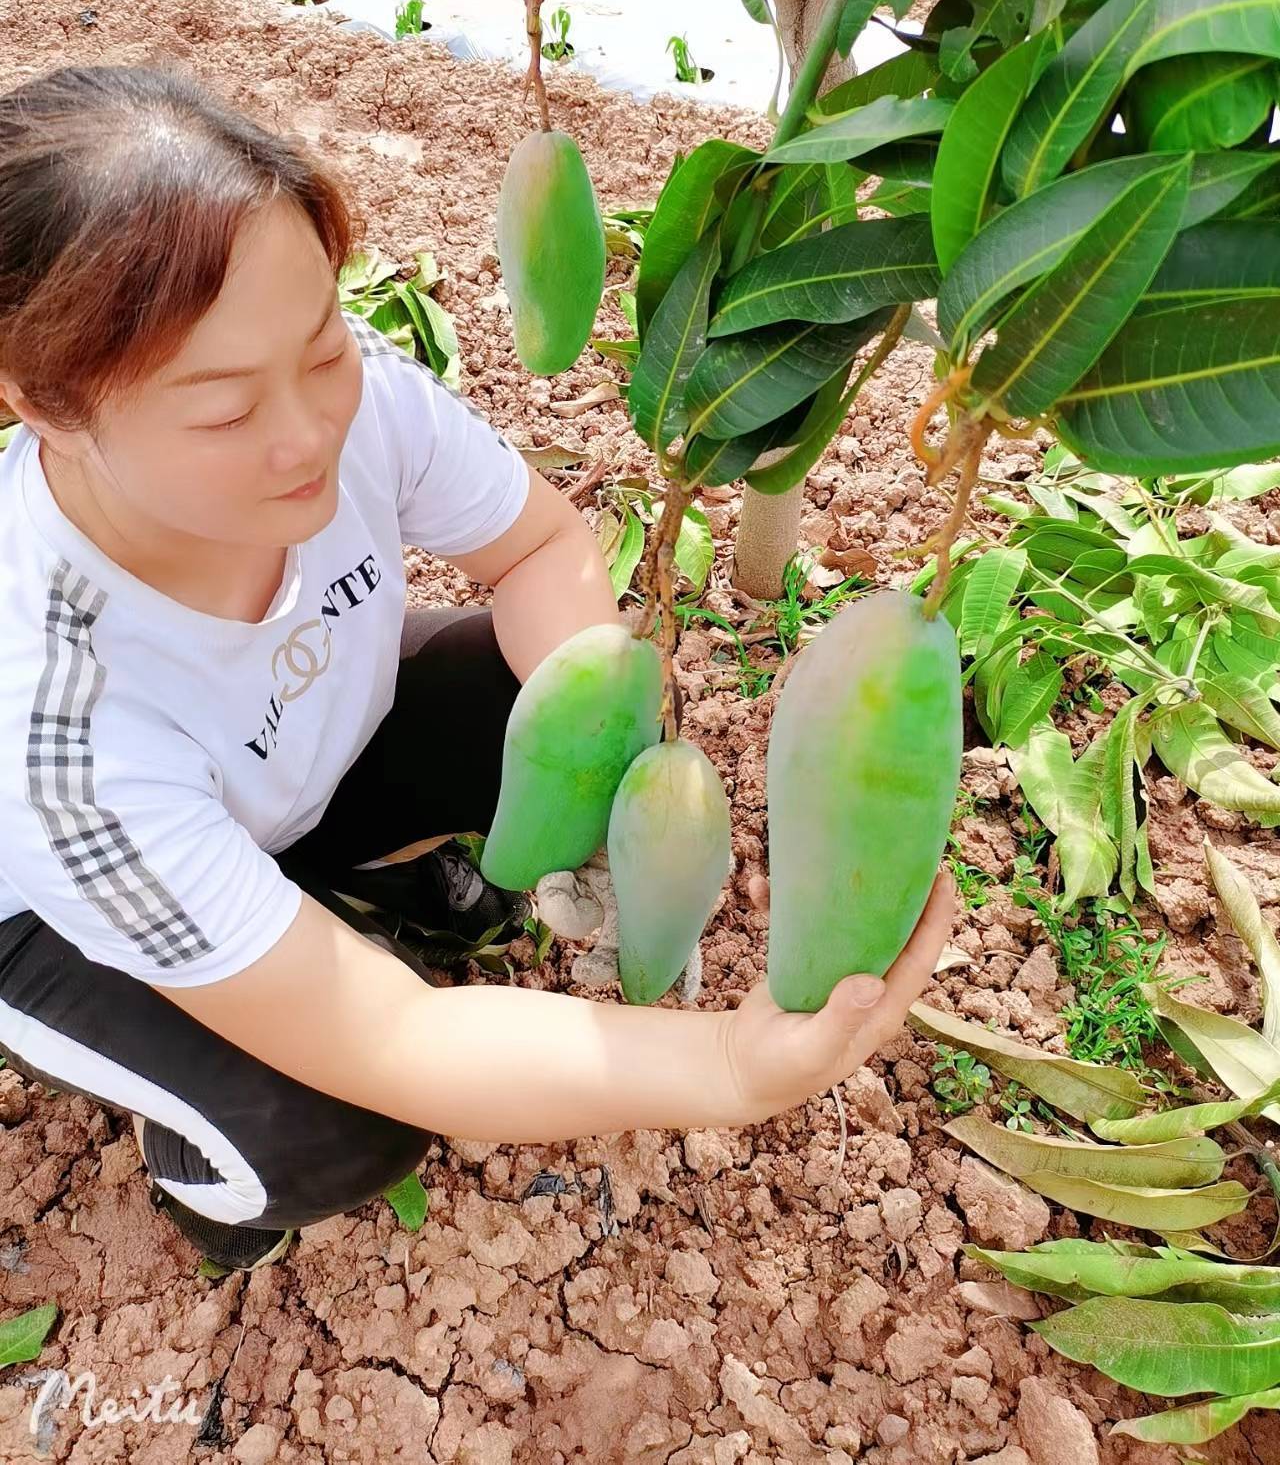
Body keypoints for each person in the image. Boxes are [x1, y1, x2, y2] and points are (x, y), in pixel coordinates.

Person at [0, 64, 956, 1273]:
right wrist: (725, 1063)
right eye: (222, 410)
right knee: (334, 1124)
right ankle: (207, 1161)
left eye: (322, 347)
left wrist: (604, 778)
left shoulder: (361, 410)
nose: (308, 436)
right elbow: (396, 1037)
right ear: (42, 400)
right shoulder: (54, 729)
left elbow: (539, 545)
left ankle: (355, 885)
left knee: (564, 683)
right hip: (58, 919)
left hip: (279, 767)